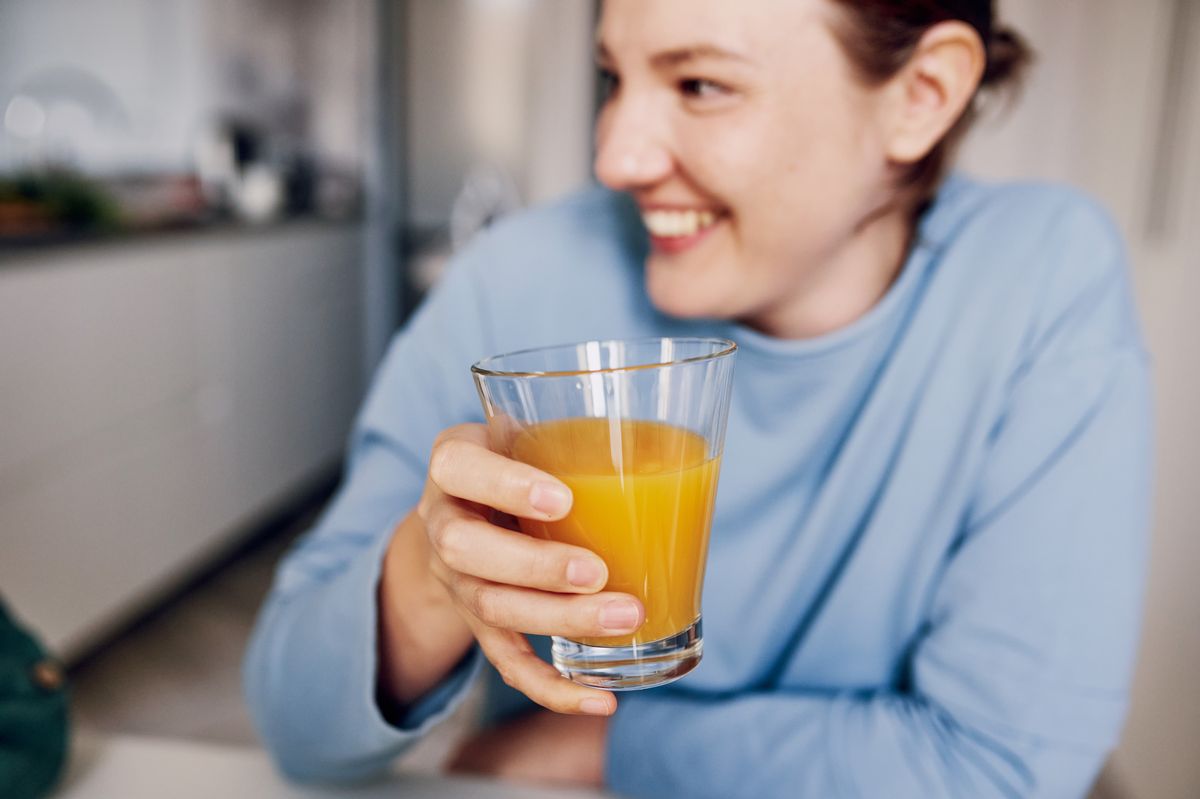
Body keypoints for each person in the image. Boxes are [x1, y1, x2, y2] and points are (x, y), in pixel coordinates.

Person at [243, 1, 1153, 796]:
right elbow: (293, 723)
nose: (613, 156)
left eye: (701, 86)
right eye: (613, 76)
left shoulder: (1037, 281)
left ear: (922, 94)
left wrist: (597, 746)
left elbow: (998, 765)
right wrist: (430, 576)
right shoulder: (518, 280)